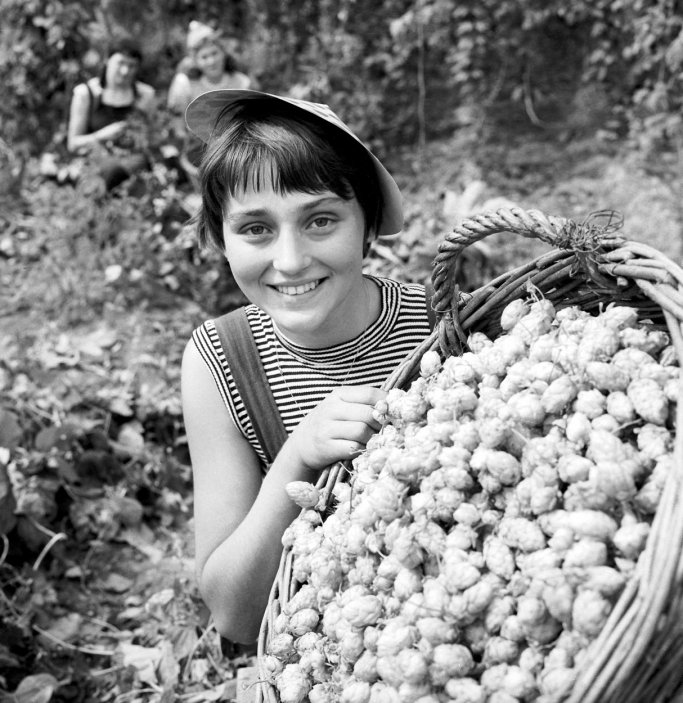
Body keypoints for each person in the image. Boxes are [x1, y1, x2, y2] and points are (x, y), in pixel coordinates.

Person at [181, 89, 433, 645]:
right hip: (330, 649)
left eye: (320, 221)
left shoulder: (440, 329)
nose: (290, 261)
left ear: (367, 225)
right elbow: (236, 618)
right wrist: (296, 458)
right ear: (220, 239)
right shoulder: (222, 360)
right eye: (255, 229)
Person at [167, 22, 255, 181]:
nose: (211, 61)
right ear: (195, 61)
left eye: (214, 53)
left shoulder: (241, 82)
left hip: (235, 145)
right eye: (204, 57)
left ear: (223, 53)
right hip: (200, 148)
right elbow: (176, 121)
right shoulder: (186, 84)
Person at [67, 38, 156, 191]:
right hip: (95, 164)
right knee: (109, 171)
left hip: (133, 166)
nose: (125, 71)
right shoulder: (86, 94)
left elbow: (152, 140)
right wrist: (103, 135)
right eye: (120, 63)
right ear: (107, 60)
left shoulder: (145, 95)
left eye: (132, 65)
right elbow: (73, 144)